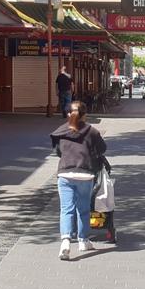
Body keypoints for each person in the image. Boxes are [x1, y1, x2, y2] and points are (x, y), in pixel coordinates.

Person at [50, 101, 107, 261]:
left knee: (66, 209)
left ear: (69, 114)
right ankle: (83, 241)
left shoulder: (61, 131)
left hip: (65, 174)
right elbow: (102, 149)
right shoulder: (92, 131)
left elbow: (58, 151)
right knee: (83, 209)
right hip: (85, 175)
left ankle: (66, 242)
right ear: (85, 115)